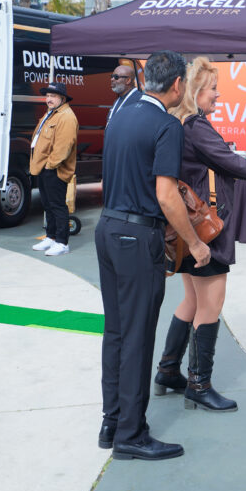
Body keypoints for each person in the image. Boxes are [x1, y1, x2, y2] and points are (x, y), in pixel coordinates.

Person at [153, 57, 246, 413]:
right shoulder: (196, 126)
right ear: (196, 91)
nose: (218, 95)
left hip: (184, 227)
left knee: (191, 301)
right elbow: (232, 163)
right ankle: (199, 384)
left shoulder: (174, 123)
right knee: (210, 305)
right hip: (205, 228)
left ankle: (168, 370)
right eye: (213, 88)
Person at [96, 50, 210, 462]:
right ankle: (131, 433)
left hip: (107, 228)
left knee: (117, 332)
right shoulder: (166, 125)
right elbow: (166, 195)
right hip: (135, 234)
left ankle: (112, 422)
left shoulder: (122, 111)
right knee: (139, 338)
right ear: (178, 84)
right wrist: (195, 244)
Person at [29, 82, 79, 256]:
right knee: (48, 205)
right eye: (47, 96)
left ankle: (62, 242)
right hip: (44, 168)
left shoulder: (66, 116)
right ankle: (51, 237)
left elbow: (63, 147)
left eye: (53, 96)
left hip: (54, 169)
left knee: (57, 206)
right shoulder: (51, 114)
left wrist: (50, 165)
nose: (48, 99)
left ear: (62, 98)